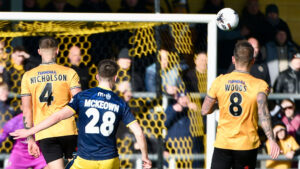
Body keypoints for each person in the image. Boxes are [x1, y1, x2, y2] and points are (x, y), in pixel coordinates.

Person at [11, 59, 152, 169]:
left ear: (97, 76)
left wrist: (31, 131)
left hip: (85, 160)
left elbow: (58, 116)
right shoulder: (120, 103)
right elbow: (139, 133)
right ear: (115, 78)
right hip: (110, 160)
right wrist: (145, 157)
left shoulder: (83, 97)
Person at [201, 40, 280, 169]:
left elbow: (205, 110)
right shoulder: (260, 85)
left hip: (223, 143)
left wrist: (220, 104)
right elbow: (262, 111)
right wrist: (271, 140)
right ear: (253, 61)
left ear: (233, 59)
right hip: (246, 145)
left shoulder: (219, 81)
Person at [20, 37, 82, 169]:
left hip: (45, 132)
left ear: (39, 51)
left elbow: (27, 111)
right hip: (68, 130)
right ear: (58, 51)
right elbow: (79, 102)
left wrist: (30, 138)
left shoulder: (28, 76)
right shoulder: (69, 72)